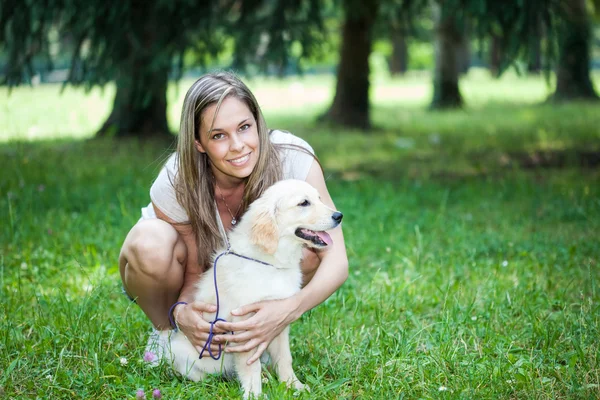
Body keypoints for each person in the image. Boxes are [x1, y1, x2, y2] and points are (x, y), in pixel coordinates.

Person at [118, 71, 348, 366]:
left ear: (258, 122)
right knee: (149, 244)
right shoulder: (178, 178)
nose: (238, 145)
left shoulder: (294, 159)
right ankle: (164, 335)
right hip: (173, 273)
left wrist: (290, 309)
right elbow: (192, 273)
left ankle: (257, 329)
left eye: (244, 127)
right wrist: (181, 312)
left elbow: (337, 260)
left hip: (245, 279)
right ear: (199, 143)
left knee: (311, 253)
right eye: (218, 135)